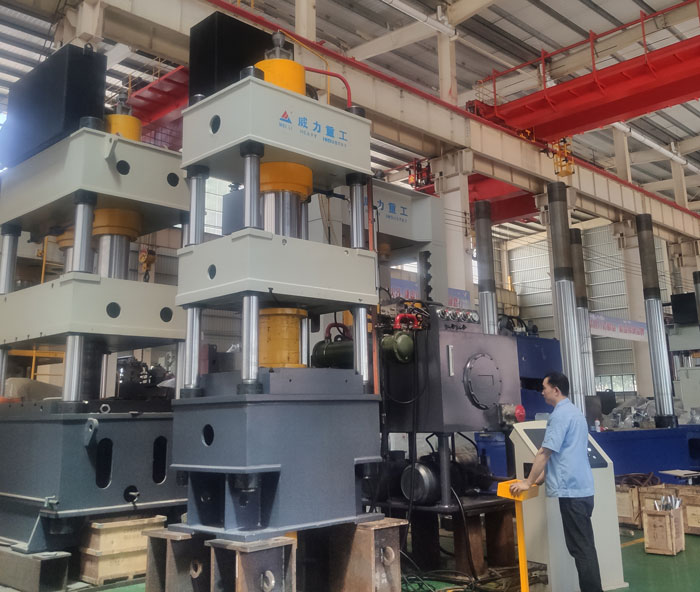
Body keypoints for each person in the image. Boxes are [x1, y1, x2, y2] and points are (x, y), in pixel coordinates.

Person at [510, 371, 602, 592]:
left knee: (581, 550)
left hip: (571, 492)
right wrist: (540, 479)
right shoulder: (575, 413)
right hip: (582, 488)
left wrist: (527, 482)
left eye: (544, 388)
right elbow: (566, 454)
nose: (542, 392)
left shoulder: (559, 416)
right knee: (584, 547)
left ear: (556, 390)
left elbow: (545, 452)